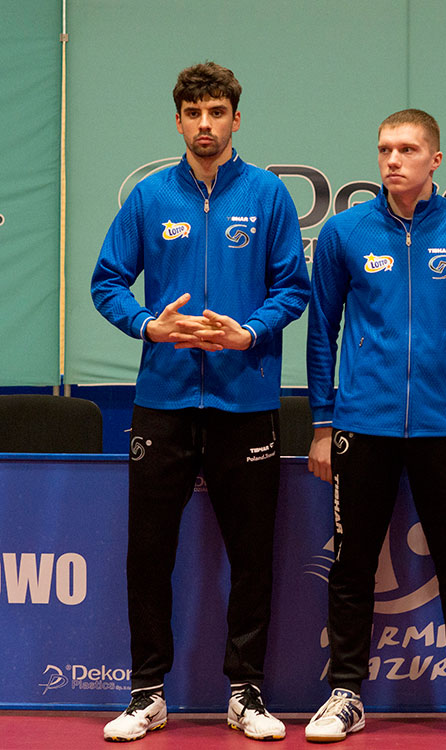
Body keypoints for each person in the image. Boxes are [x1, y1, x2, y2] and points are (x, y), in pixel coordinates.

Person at [91, 61, 310, 742]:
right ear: (179, 121)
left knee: (252, 555)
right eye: (193, 114)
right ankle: (147, 694)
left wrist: (250, 332)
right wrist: (147, 325)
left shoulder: (268, 194)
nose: (205, 124)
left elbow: (293, 288)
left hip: (246, 401)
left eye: (217, 112)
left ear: (236, 119)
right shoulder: (150, 196)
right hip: (162, 401)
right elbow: (107, 282)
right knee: (149, 554)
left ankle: (245, 693)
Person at [303, 109, 446, 744]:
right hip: (362, 424)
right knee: (351, 565)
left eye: (408, 149)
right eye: (385, 148)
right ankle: (344, 693)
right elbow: (321, 331)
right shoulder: (343, 232)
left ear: (435, 159)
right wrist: (322, 424)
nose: (393, 159)